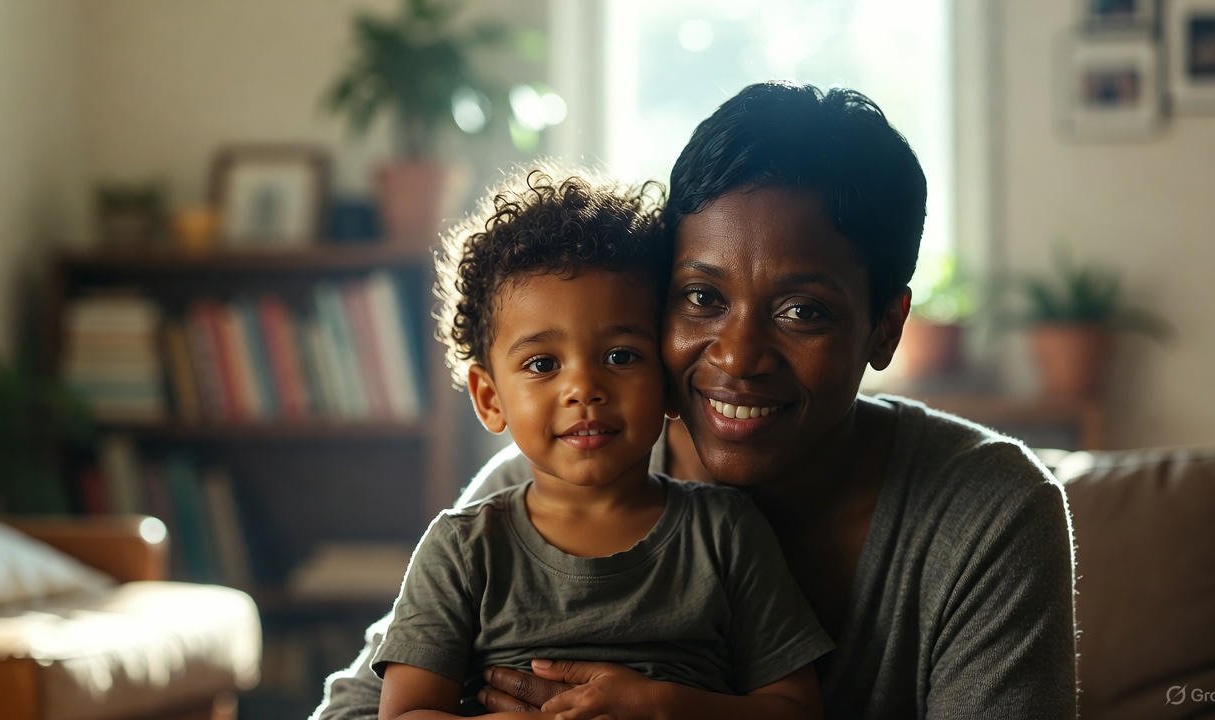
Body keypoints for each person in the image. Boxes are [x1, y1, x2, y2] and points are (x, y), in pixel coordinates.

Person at [314, 82, 1077, 720]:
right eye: (702, 297)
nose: (738, 357)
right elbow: (356, 709)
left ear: (885, 326)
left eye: (802, 311)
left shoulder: (987, 513)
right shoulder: (552, 480)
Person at [374, 169, 833, 720]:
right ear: (490, 398)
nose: (584, 389)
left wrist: (664, 706)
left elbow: (798, 710)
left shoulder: (726, 534)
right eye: (543, 364)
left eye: (621, 356)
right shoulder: (465, 550)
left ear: (666, 379)